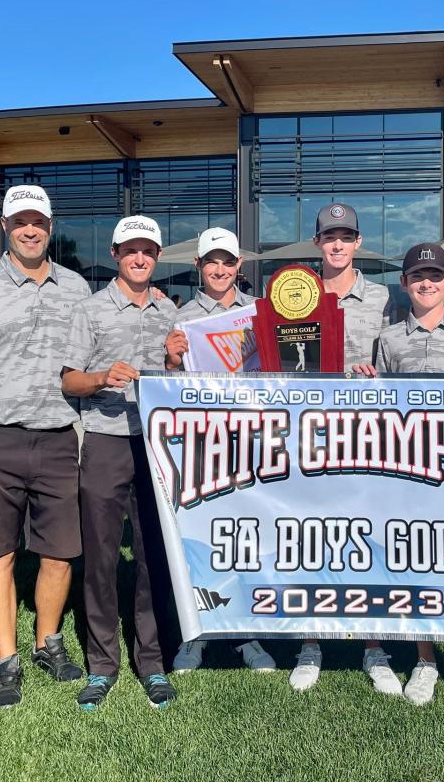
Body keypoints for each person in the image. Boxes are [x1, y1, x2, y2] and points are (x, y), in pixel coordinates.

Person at [0, 185, 87, 708]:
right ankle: (7, 661)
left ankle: (47, 641)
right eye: (21, 221)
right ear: (5, 226)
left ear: (51, 226)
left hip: (56, 439)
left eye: (40, 221)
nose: (31, 230)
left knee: (58, 553)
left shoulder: (75, 287)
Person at [355, 242, 444, 711]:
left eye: (435, 276)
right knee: (415, 559)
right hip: (406, 468)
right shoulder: (390, 339)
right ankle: (424, 659)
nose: (426, 283)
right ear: (405, 283)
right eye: (418, 276)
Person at [60, 215, 179, 711]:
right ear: (115, 254)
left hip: (155, 445)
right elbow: (68, 380)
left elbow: (177, 384)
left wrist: (174, 365)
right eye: (131, 250)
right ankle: (102, 664)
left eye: (148, 251)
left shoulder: (168, 310)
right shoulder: (90, 311)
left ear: (156, 256)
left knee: (154, 556)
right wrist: (102, 376)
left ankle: (151, 661)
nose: (140, 258)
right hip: (107, 442)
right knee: (102, 559)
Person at [288, 202, 400, 695]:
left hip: (364, 430)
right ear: (317, 244)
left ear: (358, 243)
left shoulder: (382, 297)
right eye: (328, 236)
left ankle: (373, 646)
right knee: (310, 533)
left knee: (369, 536)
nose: (336, 244)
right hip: (306, 428)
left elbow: (394, 358)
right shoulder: (295, 294)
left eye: (345, 236)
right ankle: (310, 642)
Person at [164, 227, 277, 675]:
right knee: (200, 537)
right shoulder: (181, 316)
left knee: (247, 535)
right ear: (198, 265)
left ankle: (248, 634)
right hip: (203, 440)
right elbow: (167, 387)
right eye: (212, 261)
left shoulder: (260, 312)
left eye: (228, 262)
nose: (220, 270)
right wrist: (172, 360)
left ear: (239, 267)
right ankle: (198, 634)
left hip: (252, 438)